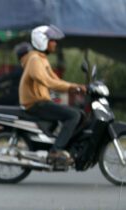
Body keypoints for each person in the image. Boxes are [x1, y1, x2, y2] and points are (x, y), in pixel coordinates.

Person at [19, 25, 85, 167]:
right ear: (42, 41)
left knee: (79, 113)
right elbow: (48, 82)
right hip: (36, 103)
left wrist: (77, 87)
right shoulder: (35, 60)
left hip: (41, 101)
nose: (55, 43)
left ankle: (62, 146)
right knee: (73, 116)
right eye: (52, 40)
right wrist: (73, 87)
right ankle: (56, 151)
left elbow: (56, 80)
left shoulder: (41, 59)